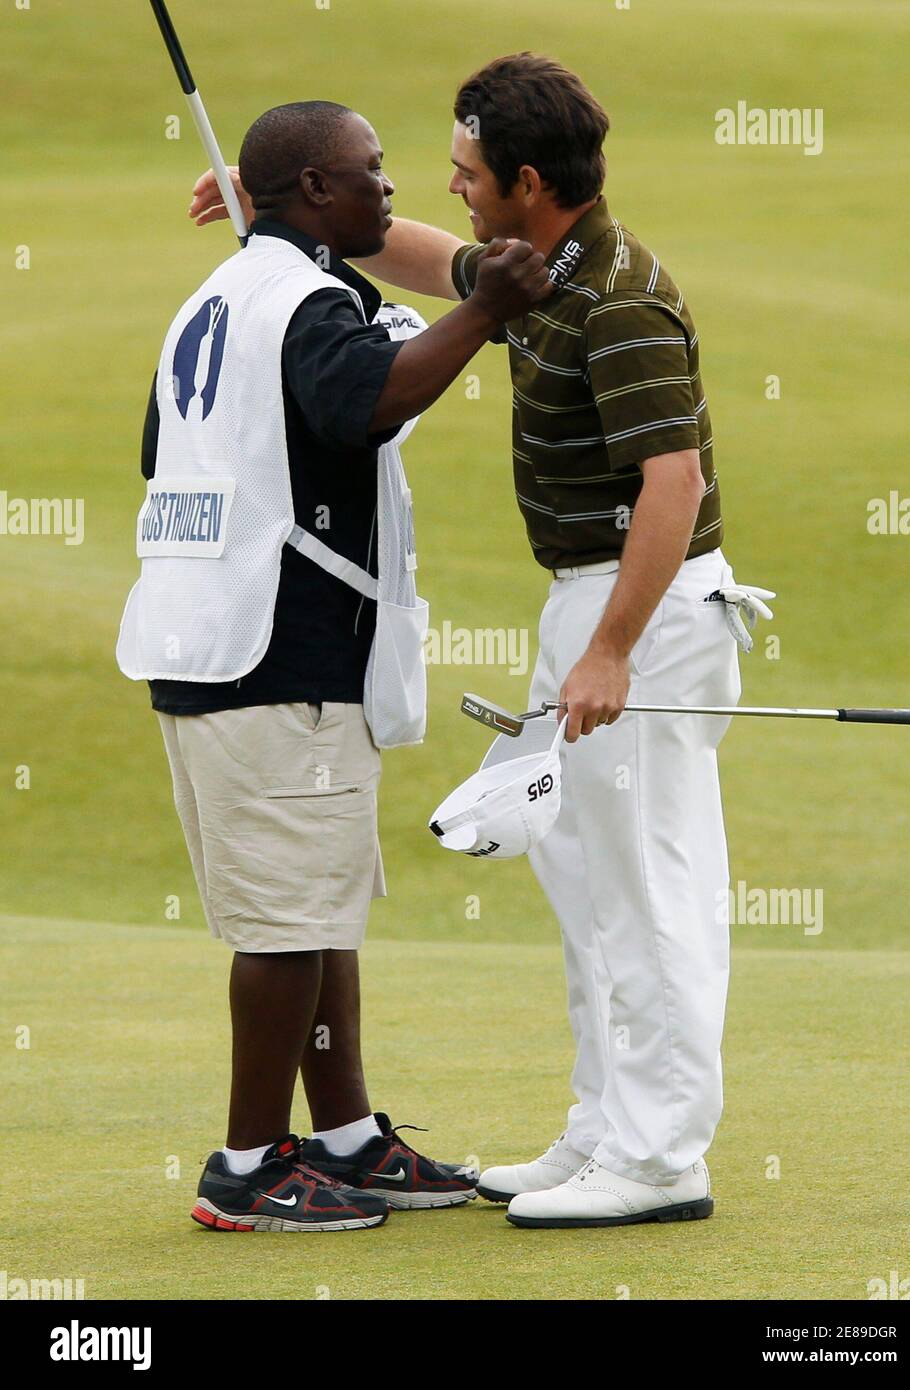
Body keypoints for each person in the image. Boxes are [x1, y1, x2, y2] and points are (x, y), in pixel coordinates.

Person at [192, 54, 743, 1231]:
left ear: (527, 180)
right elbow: (421, 260)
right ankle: (604, 1130)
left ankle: (659, 1160)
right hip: (588, 604)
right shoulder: (543, 269)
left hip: (640, 613)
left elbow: (672, 482)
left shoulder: (617, 297)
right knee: (585, 880)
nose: (447, 192)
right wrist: (269, 208)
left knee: (647, 890)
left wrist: (609, 651)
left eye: (465, 173)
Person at [120, 98, 552, 1232]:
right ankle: (247, 1165)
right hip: (278, 653)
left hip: (218, 642)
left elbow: (183, 451)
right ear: (315, 191)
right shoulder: (300, 303)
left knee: (318, 907)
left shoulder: (217, 303)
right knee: (281, 928)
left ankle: (347, 1136)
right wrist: (486, 305)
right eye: (370, 173)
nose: (389, 190)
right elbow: (368, 399)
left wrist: (448, 312)